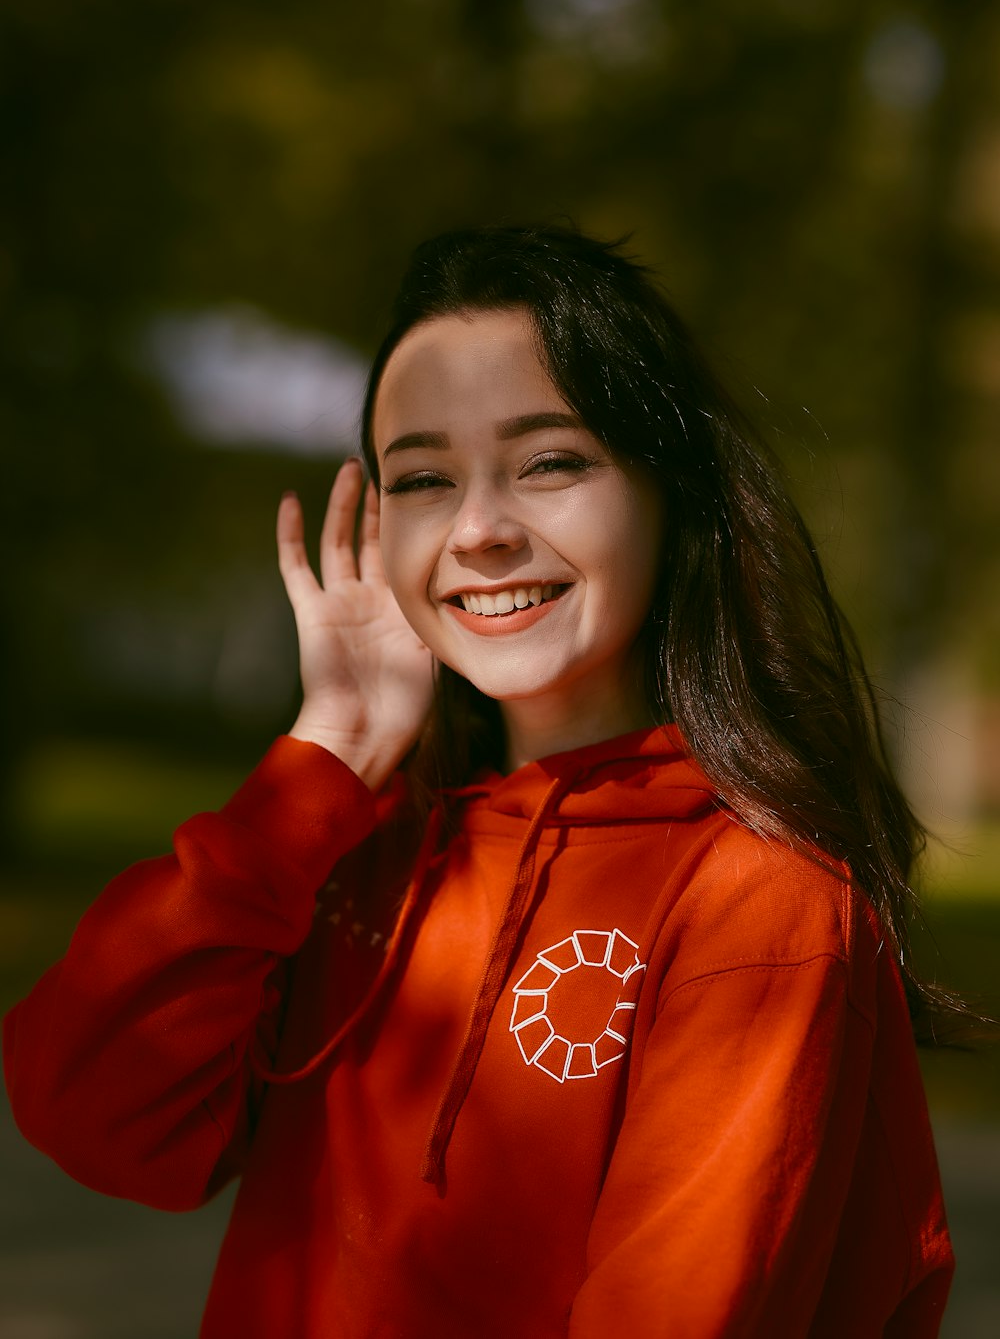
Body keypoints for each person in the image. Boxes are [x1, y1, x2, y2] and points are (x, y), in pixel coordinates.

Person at [4, 225, 955, 1336]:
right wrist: (328, 762)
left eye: (550, 460)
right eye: (423, 477)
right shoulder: (353, 843)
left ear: (670, 491)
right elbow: (92, 1113)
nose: (481, 529)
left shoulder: (759, 900)